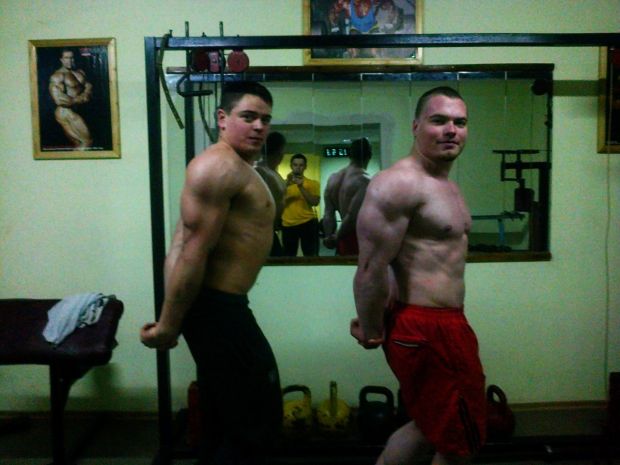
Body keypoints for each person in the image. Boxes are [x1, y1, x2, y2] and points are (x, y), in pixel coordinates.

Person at [140, 81, 282, 465]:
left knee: (223, 416)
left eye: (265, 119)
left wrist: (174, 318)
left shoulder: (240, 167)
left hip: (220, 306)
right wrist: (169, 323)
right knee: (257, 421)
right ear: (222, 118)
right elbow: (190, 250)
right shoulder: (218, 167)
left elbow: (179, 243)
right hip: (217, 309)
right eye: (248, 117)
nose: (259, 126)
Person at [351, 87, 486, 465]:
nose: (451, 130)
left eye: (460, 122)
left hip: (446, 323)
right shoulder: (399, 183)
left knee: (429, 424)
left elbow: (403, 257)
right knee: (460, 440)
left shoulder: (445, 184)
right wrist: (371, 326)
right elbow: (371, 267)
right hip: (428, 329)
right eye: (438, 120)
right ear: (415, 126)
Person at [322, 137, 372, 255]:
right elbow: (351, 216)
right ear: (369, 156)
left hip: (343, 239)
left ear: (350, 155)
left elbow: (328, 213)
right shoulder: (364, 181)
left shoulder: (333, 178)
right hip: (356, 237)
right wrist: (337, 237)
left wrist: (329, 236)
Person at [48, 48, 93, 148]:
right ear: (61, 60)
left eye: (72, 58)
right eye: (67, 58)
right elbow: (59, 100)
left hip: (78, 110)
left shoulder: (80, 72)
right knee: (87, 142)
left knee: (79, 143)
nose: (70, 60)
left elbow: (89, 88)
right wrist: (83, 97)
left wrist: (78, 98)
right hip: (66, 112)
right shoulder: (58, 76)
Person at [281, 153, 321, 256]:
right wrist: (286, 185)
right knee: (288, 257)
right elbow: (277, 202)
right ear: (291, 166)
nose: (298, 168)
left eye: (301, 165)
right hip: (288, 224)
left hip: (308, 222)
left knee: (310, 255)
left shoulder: (313, 183)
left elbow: (315, 202)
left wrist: (301, 187)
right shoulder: (283, 184)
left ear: (305, 167)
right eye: (295, 165)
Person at [255, 131, 287, 256]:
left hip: (272, 230)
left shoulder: (273, 172)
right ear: (279, 151)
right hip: (261, 231)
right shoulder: (261, 172)